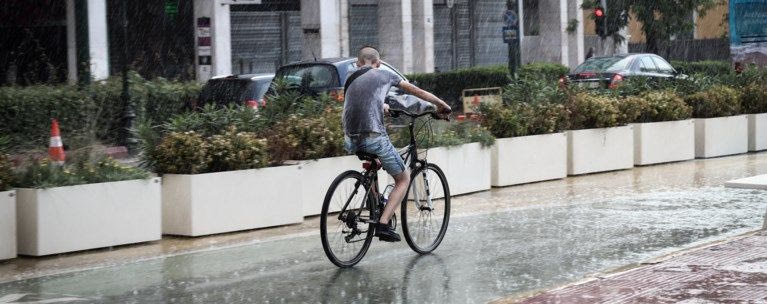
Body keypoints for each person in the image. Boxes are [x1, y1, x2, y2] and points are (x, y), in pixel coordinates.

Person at [342, 46, 452, 242]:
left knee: (376, 162)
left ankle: (374, 204)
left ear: (358, 63)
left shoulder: (351, 75)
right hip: (372, 135)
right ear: (378, 63)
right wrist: (441, 105)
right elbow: (415, 91)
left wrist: (383, 105)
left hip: (350, 138)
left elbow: (362, 100)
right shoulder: (384, 74)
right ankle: (383, 225)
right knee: (403, 178)